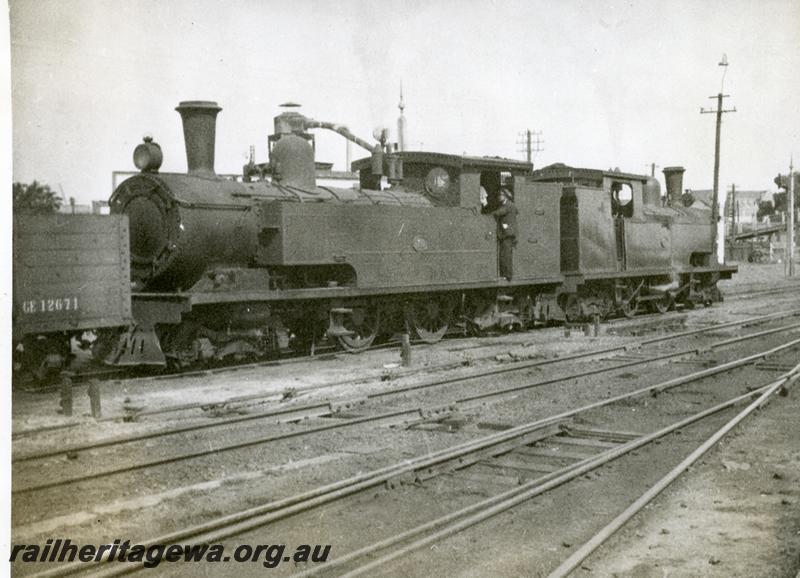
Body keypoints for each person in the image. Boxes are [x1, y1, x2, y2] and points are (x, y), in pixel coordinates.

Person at [490, 188, 518, 280]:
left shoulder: (508, 205)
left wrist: (490, 213)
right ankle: (506, 274)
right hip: (506, 233)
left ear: (505, 196)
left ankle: (508, 275)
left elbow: (499, 212)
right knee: (504, 255)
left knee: (505, 255)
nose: (499, 197)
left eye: (500, 195)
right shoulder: (508, 205)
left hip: (507, 233)